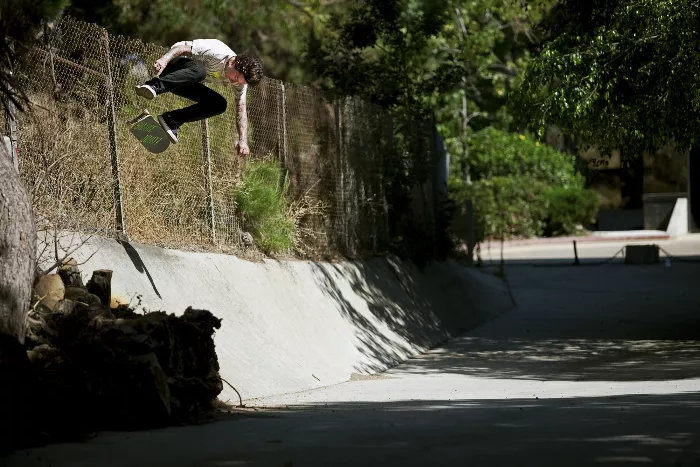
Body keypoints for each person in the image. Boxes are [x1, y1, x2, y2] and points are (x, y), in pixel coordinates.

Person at [134, 39, 264, 156]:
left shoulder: (239, 83)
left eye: (238, 82)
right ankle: (154, 85)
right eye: (235, 77)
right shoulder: (217, 52)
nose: (234, 82)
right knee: (200, 71)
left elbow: (241, 108)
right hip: (171, 64)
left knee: (219, 104)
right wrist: (163, 60)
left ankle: (171, 119)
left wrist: (243, 140)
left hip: (183, 82)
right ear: (234, 63)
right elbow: (182, 48)